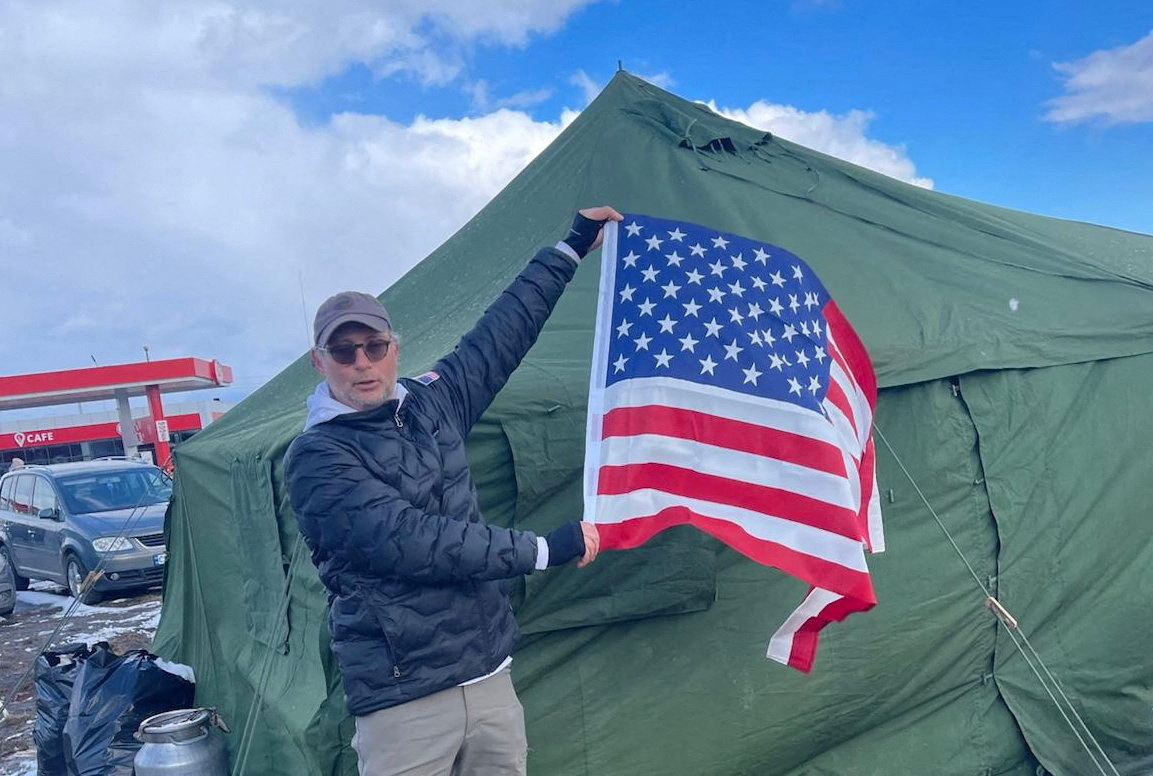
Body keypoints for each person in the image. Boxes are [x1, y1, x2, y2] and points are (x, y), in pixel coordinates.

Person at [285, 206, 622, 776]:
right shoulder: (317, 457)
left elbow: (497, 339)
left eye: (374, 346)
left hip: (488, 673)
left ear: (395, 346)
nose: (362, 364)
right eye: (344, 352)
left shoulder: (429, 404)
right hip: (405, 696)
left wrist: (568, 250)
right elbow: (411, 541)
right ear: (321, 362)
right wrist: (542, 550)